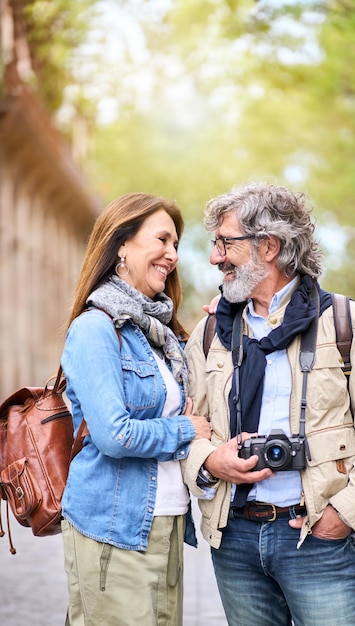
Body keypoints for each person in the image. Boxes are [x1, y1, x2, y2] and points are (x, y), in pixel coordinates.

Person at [184, 181, 355, 626]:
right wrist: (210, 464)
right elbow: (187, 428)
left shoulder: (345, 323)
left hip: (318, 541)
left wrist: (345, 515)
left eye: (225, 243)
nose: (215, 257)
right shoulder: (210, 334)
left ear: (268, 246)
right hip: (235, 544)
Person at [60, 192, 211, 626]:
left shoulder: (159, 335)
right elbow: (114, 434)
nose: (172, 254)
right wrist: (185, 431)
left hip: (166, 525)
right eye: (162, 239)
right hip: (112, 529)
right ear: (121, 244)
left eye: (177, 245)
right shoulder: (95, 328)